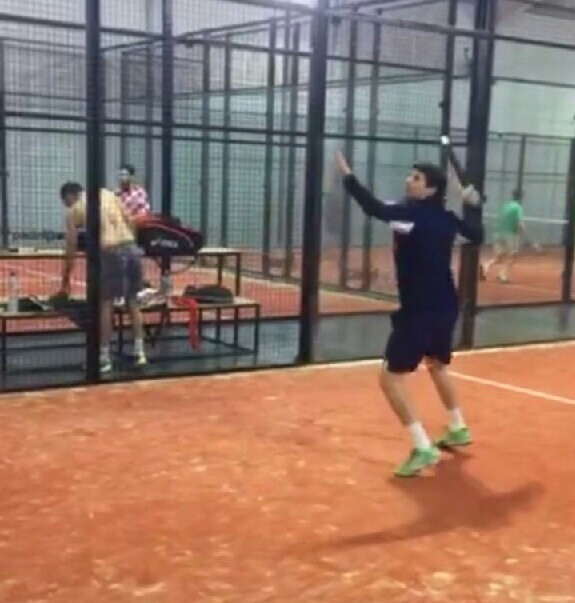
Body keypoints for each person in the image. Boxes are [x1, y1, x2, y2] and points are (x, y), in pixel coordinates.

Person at [335, 152, 483, 477]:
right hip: (446, 304)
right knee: (437, 364)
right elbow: (477, 235)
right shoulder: (447, 218)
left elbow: (372, 207)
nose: (408, 180)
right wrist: (472, 205)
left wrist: (347, 176)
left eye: (416, 178)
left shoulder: (409, 216)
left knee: (389, 379)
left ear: (430, 189)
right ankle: (457, 426)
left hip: (420, 310)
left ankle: (422, 447)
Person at [58, 182, 147, 373]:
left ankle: (103, 358)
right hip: (131, 247)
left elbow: (71, 247)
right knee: (133, 301)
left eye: (66, 203)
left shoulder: (74, 209)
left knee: (106, 303)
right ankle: (140, 352)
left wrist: (65, 279)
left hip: (109, 250)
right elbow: (130, 220)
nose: (67, 206)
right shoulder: (108, 194)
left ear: (69, 197)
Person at [480, 191, 536, 283]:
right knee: (513, 256)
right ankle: (502, 274)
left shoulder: (506, 206)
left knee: (499, 256)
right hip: (509, 234)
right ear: (521, 198)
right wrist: (525, 235)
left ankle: (486, 265)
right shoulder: (518, 207)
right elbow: (519, 223)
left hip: (498, 233)